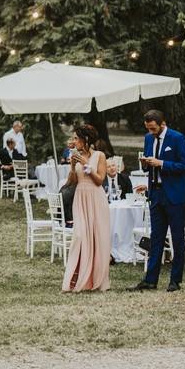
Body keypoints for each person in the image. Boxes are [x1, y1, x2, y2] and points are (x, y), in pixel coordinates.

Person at [132, 109, 185, 292]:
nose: (150, 131)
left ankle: (175, 280)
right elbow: (147, 168)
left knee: (176, 238)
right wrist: (145, 164)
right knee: (156, 238)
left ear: (162, 124)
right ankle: (151, 280)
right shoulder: (148, 138)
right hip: (156, 194)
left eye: (153, 128)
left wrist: (161, 163)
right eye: (148, 128)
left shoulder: (177, 138)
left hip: (174, 196)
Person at [61, 125, 111, 292]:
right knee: (80, 236)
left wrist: (86, 165)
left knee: (96, 238)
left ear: (86, 139)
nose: (74, 141)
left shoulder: (99, 156)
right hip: (80, 198)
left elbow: (99, 180)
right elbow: (72, 181)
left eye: (76, 138)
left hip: (96, 199)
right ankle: (76, 277)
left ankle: (93, 279)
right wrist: (72, 166)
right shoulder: (76, 156)